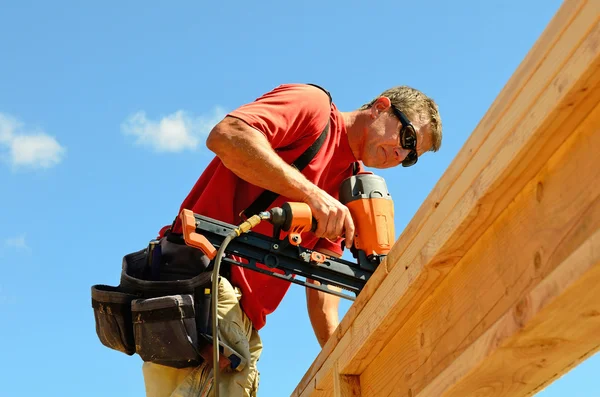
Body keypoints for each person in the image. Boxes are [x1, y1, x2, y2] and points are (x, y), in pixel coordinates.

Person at [142, 83, 442, 397]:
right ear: (381, 107)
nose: (401, 154)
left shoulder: (349, 189)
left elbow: (323, 293)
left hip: (240, 322)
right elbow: (227, 135)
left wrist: (350, 362)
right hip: (202, 284)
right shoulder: (314, 109)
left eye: (411, 157)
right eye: (407, 138)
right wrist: (311, 194)